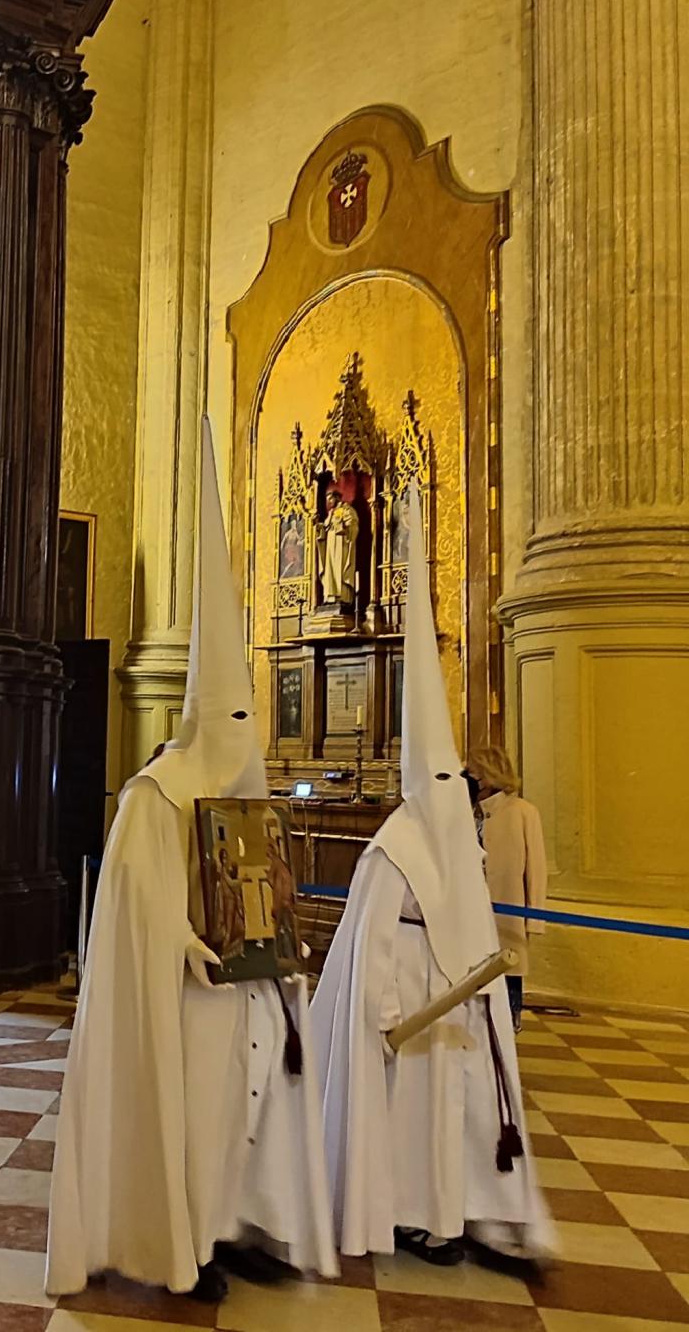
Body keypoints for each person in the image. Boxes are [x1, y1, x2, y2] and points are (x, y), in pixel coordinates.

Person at [47, 419, 336, 1303]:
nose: (246, 738)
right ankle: (186, 1242)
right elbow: (136, 908)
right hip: (188, 1001)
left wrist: (280, 933)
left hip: (247, 997)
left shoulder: (242, 795)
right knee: (198, 1117)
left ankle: (239, 1225)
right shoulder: (156, 795)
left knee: (251, 1112)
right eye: (234, 722)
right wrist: (184, 943)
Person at [310, 486, 554, 1269]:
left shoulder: (458, 840)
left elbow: (474, 916)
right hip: (412, 1010)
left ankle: (469, 1214)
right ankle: (414, 1216)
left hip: (459, 1006)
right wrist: (386, 1011)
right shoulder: (396, 845)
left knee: (462, 1114)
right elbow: (374, 939)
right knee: (415, 1121)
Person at [466, 744, 547, 1032]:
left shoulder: (523, 812)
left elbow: (536, 868)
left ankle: (510, 1021)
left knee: (508, 966)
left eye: (473, 772)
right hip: (472, 908)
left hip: (507, 909)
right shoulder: (469, 813)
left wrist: (534, 918)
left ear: (488, 775)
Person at [317, 487, 359, 605]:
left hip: (341, 544)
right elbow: (326, 527)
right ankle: (330, 596)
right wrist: (319, 528)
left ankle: (342, 597)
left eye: (330, 499)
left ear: (337, 498)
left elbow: (353, 525)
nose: (329, 502)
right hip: (330, 544)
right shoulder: (331, 513)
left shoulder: (346, 509)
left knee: (339, 570)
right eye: (327, 500)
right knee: (330, 569)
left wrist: (345, 528)